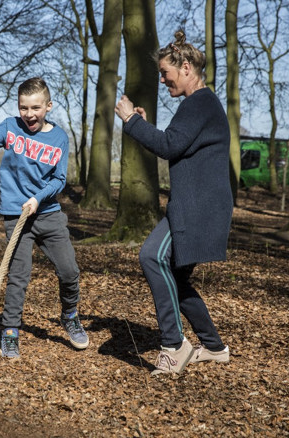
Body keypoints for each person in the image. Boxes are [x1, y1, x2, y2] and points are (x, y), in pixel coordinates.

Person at [114, 30, 232, 375]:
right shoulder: (201, 104)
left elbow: (168, 146)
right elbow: (176, 143)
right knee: (176, 278)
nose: (163, 80)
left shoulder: (199, 102)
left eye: (165, 73)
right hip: (204, 205)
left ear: (185, 67)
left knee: (151, 256)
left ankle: (174, 344)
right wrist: (145, 126)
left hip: (196, 208)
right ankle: (214, 347)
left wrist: (131, 120)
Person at [0, 77, 89, 358]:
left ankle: (70, 315)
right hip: (15, 216)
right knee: (18, 277)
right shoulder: (11, 127)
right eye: (24, 107)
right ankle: (10, 331)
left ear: (48, 106)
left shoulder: (59, 138)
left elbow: (59, 180)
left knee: (69, 271)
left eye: (35, 107)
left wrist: (38, 198)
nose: (29, 114)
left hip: (47, 214)